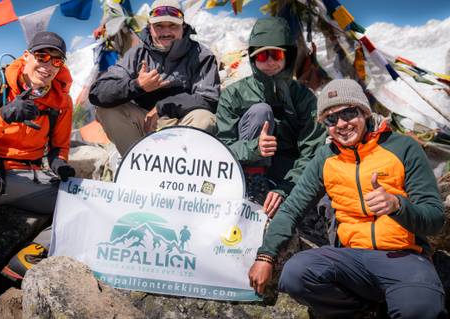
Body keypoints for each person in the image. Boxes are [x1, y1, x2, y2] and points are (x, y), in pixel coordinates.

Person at [248, 79, 447, 318]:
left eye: (349, 113)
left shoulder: (403, 148)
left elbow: (435, 218)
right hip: (352, 259)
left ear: (364, 112)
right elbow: (291, 210)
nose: (342, 124)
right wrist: (265, 255)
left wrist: (397, 206)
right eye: (331, 119)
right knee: (296, 273)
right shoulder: (326, 158)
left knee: (420, 310)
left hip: (404, 257)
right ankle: (360, 313)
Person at [0, 31, 75, 281]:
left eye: (56, 60)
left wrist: (60, 165)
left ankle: (28, 256)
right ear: (27, 55)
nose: (48, 65)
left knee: (81, 203)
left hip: (28, 180)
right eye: (42, 55)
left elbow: (59, 148)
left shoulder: (62, 102)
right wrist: (4, 116)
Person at [216, 17, 326, 217]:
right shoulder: (234, 94)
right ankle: (252, 185)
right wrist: (254, 149)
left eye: (275, 54)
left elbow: (311, 150)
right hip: (246, 169)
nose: (269, 62)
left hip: (286, 171)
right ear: (252, 58)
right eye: (261, 56)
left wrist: (285, 188)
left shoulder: (303, 97)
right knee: (261, 111)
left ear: (288, 56)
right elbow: (222, 146)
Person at [89, 0, 220, 156]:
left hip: (182, 127)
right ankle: (136, 164)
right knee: (106, 109)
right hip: (144, 126)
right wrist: (137, 85)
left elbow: (208, 99)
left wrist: (162, 107)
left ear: (183, 27)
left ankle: (182, 171)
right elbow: (98, 92)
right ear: (149, 28)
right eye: (159, 26)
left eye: (173, 25)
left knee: (204, 118)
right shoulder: (136, 54)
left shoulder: (201, 55)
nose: (166, 32)